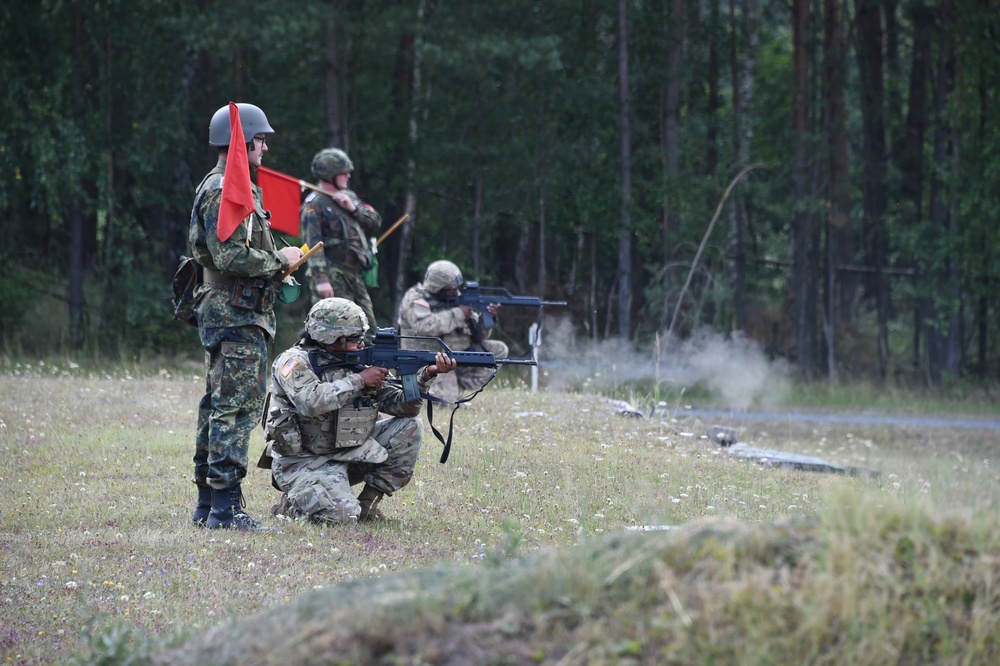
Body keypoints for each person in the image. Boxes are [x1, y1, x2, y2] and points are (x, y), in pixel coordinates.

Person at [188, 102, 304, 530]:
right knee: (235, 408)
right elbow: (228, 253)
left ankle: (208, 504)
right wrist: (279, 259)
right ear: (242, 141)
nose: (266, 147)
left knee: (220, 404)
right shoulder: (222, 188)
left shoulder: (231, 184)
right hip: (233, 311)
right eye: (260, 139)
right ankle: (225, 507)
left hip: (236, 309)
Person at [263, 298, 456, 523]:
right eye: (354, 339)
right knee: (342, 517)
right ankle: (290, 506)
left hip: (348, 451)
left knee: (410, 427)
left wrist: (426, 376)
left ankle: (368, 506)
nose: (361, 343)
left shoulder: (359, 361)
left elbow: (403, 408)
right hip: (303, 460)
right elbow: (311, 401)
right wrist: (360, 381)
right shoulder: (294, 362)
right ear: (331, 337)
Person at [397, 260, 509, 404]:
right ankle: (432, 391)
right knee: (446, 403)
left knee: (497, 351)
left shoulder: (456, 299)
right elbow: (424, 326)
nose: (456, 292)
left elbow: (478, 337)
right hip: (426, 362)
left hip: (454, 359)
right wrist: (459, 314)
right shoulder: (416, 298)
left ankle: (455, 386)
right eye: (451, 289)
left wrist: (488, 317)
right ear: (438, 287)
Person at [300, 148, 381, 332]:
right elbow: (313, 244)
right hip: (333, 273)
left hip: (354, 273)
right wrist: (321, 279)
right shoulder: (314, 205)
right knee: (338, 329)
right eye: (343, 172)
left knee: (368, 329)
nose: (348, 175)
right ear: (329, 175)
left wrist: (353, 209)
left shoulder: (349, 197)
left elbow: (375, 221)